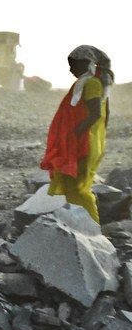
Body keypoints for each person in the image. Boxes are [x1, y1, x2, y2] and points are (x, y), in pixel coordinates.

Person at [41, 46, 113, 224]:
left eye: (73, 65)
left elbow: (95, 114)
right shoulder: (86, 83)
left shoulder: (92, 84)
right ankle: (82, 226)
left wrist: (75, 134)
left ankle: (93, 229)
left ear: (86, 64)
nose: (70, 69)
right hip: (84, 141)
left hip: (84, 143)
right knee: (73, 187)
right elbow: (105, 115)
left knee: (79, 189)